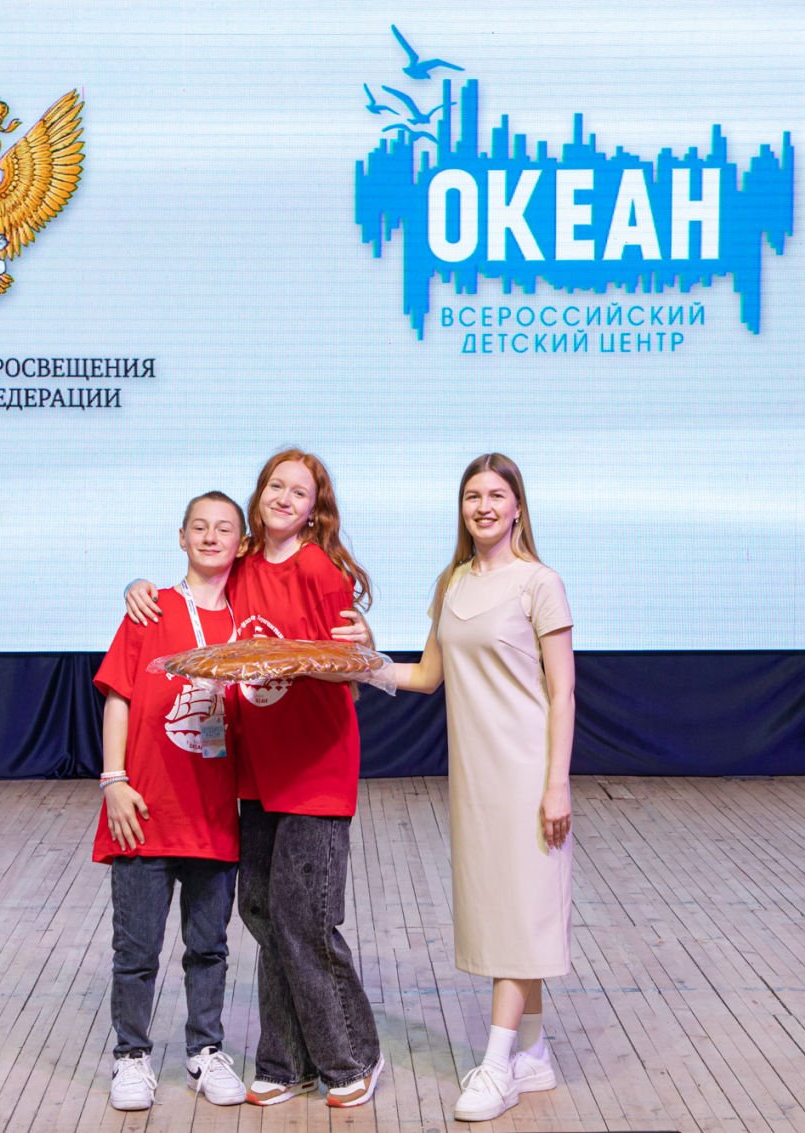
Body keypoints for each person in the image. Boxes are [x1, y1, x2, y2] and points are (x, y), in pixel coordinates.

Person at [126, 449, 385, 1108]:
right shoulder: (241, 566)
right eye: (276, 484)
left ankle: (351, 1055)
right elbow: (198, 586)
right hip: (258, 775)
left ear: (314, 509)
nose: (284, 497)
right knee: (264, 913)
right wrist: (139, 586)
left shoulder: (319, 568)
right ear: (260, 493)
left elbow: (353, 661)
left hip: (315, 770)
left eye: (300, 491)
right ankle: (284, 1060)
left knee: (306, 917)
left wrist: (348, 645)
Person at [383, 452, 576, 1122]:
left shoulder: (540, 583)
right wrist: (362, 665)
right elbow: (426, 676)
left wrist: (557, 784)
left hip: (527, 773)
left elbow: (563, 691)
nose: (484, 506)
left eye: (496, 495)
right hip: (474, 778)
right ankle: (534, 1051)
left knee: (522, 911)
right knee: (505, 908)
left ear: (518, 506)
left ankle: (496, 1065)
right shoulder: (454, 582)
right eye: (473, 496)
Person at [92, 491, 250, 1111]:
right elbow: (119, 698)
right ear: (181, 537)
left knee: (209, 947)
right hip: (146, 809)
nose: (211, 537)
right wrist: (114, 780)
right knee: (136, 951)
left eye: (224, 529)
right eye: (199, 527)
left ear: (242, 543)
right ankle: (131, 1056)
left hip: (213, 813)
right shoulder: (150, 608)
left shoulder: (248, 622)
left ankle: (204, 1051)